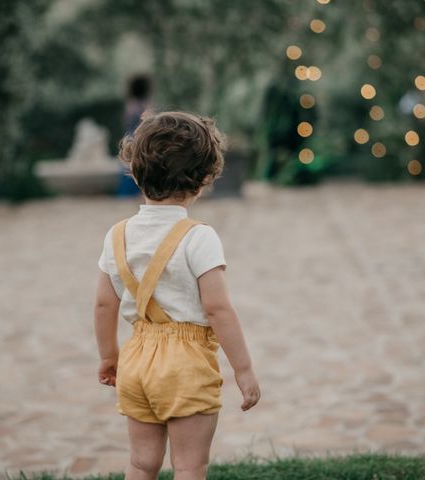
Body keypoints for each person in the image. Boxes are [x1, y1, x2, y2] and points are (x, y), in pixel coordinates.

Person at [93, 111, 261, 480]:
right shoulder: (198, 237)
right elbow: (218, 309)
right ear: (203, 180)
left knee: (141, 463)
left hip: (136, 361)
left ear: (136, 174)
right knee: (188, 466)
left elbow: (105, 303)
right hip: (185, 366)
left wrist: (109, 357)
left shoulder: (117, 235)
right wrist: (243, 369)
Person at [117, 75, 152, 197]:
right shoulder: (143, 106)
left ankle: (126, 196)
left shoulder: (130, 105)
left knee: (128, 169)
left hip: (129, 140)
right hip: (141, 139)